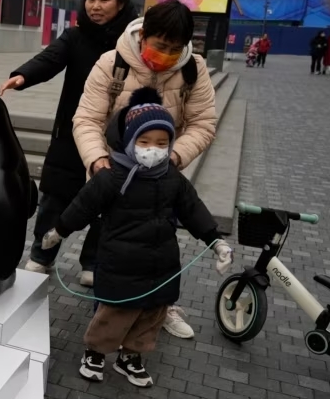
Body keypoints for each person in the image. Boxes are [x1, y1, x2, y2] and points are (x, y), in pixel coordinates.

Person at [41, 88, 233, 388]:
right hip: (120, 262)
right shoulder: (112, 176)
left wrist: (216, 241)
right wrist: (59, 231)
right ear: (129, 142)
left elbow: (193, 210)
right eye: (144, 142)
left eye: (161, 143)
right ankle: (95, 352)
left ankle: (131, 356)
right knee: (114, 312)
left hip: (162, 264)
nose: (152, 149)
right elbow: (82, 206)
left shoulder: (172, 178)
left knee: (152, 314)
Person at [73, 0, 218, 340]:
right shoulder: (112, 63)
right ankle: (107, 319)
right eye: (159, 45)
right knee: (115, 247)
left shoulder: (193, 70)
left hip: (160, 176)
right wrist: (98, 161)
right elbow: (87, 119)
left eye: (174, 48)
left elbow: (203, 123)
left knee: (159, 244)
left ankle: (159, 309)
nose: (166, 54)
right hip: (116, 175)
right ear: (143, 36)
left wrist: (174, 158)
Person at [0, 0, 134, 287]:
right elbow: (50, 58)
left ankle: (92, 262)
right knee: (53, 201)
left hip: (114, 138)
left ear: (121, 2)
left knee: (106, 204)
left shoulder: (130, 43)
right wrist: (22, 76)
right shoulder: (75, 36)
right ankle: (41, 255)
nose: (95, 6)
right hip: (70, 135)